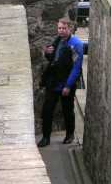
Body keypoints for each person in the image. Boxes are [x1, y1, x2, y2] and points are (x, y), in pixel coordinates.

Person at [38, 19, 88, 148]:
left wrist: (68, 85)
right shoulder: (58, 40)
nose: (61, 30)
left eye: (63, 28)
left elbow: (76, 67)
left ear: (70, 29)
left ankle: (69, 134)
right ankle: (46, 137)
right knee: (47, 109)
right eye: (59, 28)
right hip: (53, 81)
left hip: (66, 82)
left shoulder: (76, 44)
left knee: (67, 110)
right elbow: (53, 59)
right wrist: (47, 53)